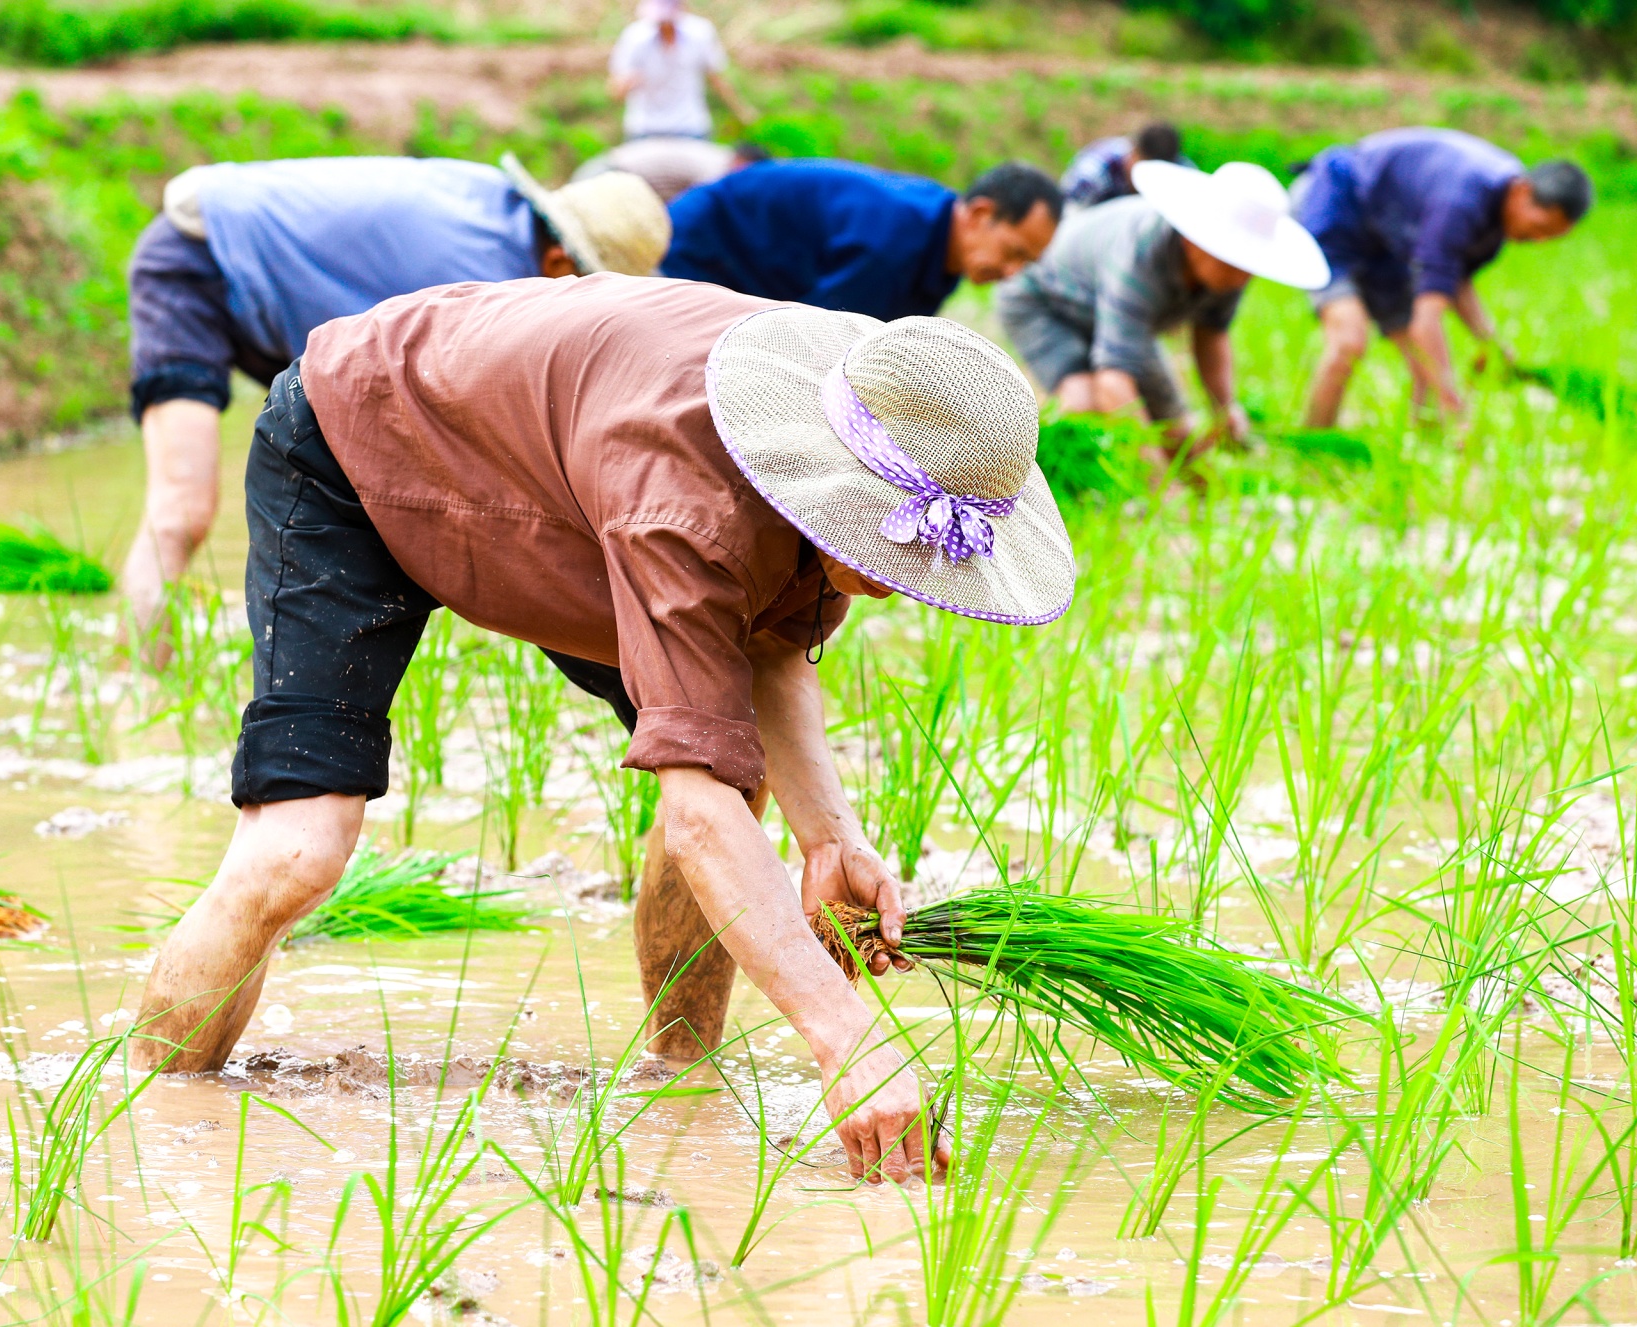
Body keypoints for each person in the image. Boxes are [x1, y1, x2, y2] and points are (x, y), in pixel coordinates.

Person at [128, 274, 1077, 1187]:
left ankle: (683, 1079)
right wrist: (848, 1039)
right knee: (297, 849)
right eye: (881, 540)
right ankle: (147, 1122)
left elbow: (768, 647)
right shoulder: (692, 500)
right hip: (363, 433)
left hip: (557, 495)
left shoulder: (864, 430)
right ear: (834, 480)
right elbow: (696, 810)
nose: (892, 573)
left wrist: (831, 838)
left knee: (731, 770)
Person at [120, 153, 670, 657]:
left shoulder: (493, 206)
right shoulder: (480, 276)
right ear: (558, 262)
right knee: (181, 509)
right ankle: (136, 686)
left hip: (292, 291)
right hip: (198, 260)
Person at [997, 161, 1327, 452]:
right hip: (1041, 297)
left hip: (1109, 308)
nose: (1243, 277)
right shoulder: (1142, 253)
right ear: (1194, 240)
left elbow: (1211, 335)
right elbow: (1115, 378)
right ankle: (1053, 472)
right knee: (1085, 401)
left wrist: (1225, 411)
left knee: (1177, 427)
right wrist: (1160, 486)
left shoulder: (1228, 272)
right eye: (1234, 263)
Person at [1292, 128, 1593, 427]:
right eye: (1540, 227)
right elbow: (1427, 319)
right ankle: (1313, 446)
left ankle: (1424, 451)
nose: (1537, 240)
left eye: (1550, 237)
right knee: (1350, 340)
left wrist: (1490, 344)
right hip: (1335, 202)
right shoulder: (1461, 201)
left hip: (1387, 237)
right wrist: (1453, 403)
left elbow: (1452, 279)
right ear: (1523, 192)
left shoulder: (1497, 216)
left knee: (1426, 367)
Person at [662, 159, 1064, 322]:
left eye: (1025, 263)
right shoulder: (891, 247)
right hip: (705, 245)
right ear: (979, 214)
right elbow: (807, 342)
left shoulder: (941, 246)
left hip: (754, 273)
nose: (1012, 273)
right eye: (1013, 252)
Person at [608, 0, 751, 141]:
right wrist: (627, 84)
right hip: (645, 128)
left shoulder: (700, 32)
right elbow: (616, 91)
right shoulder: (634, 37)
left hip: (690, 126)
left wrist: (742, 111)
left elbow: (717, 78)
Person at [571, 137, 769, 203]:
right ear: (743, 163)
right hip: (606, 176)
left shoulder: (716, 157)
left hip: (609, 170)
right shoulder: (714, 170)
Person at [1059, 121, 1190, 211]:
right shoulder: (1092, 174)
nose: (1151, 183)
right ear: (1133, 151)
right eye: (1146, 173)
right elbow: (1065, 223)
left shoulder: (1181, 173)